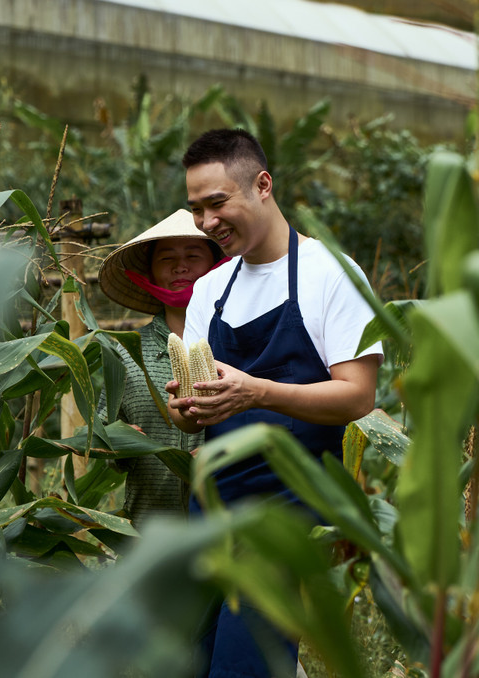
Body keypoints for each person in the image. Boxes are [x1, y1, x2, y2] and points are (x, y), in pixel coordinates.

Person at [166, 128, 384, 678]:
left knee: (244, 667)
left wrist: (257, 391)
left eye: (218, 203)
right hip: (212, 507)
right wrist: (186, 409)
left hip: (288, 510)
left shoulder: (332, 274)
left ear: (263, 185)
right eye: (196, 209)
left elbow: (358, 395)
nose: (207, 222)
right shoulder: (210, 290)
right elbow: (189, 412)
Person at [97, 209, 225, 528]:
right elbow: (99, 435)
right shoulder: (125, 353)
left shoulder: (240, 344)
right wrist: (116, 441)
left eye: (193, 255)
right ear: (150, 274)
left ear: (216, 265)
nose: (180, 266)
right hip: (149, 533)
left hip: (227, 536)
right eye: (167, 258)